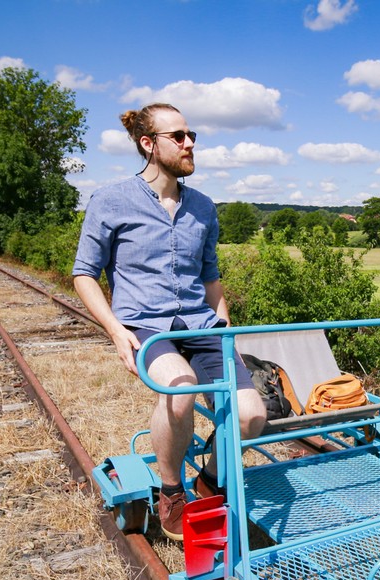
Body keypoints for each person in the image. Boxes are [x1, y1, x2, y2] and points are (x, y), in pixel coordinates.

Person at [72, 103, 266, 540]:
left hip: (201, 324)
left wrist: (226, 328)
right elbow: (84, 273)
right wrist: (116, 331)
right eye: (178, 136)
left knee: (252, 416)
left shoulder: (203, 207)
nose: (190, 143)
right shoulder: (110, 200)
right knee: (180, 392)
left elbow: (211, 277)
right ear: (148, 144)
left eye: (190, 134)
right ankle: (172, 491)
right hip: (146, 325)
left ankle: (210, 482)